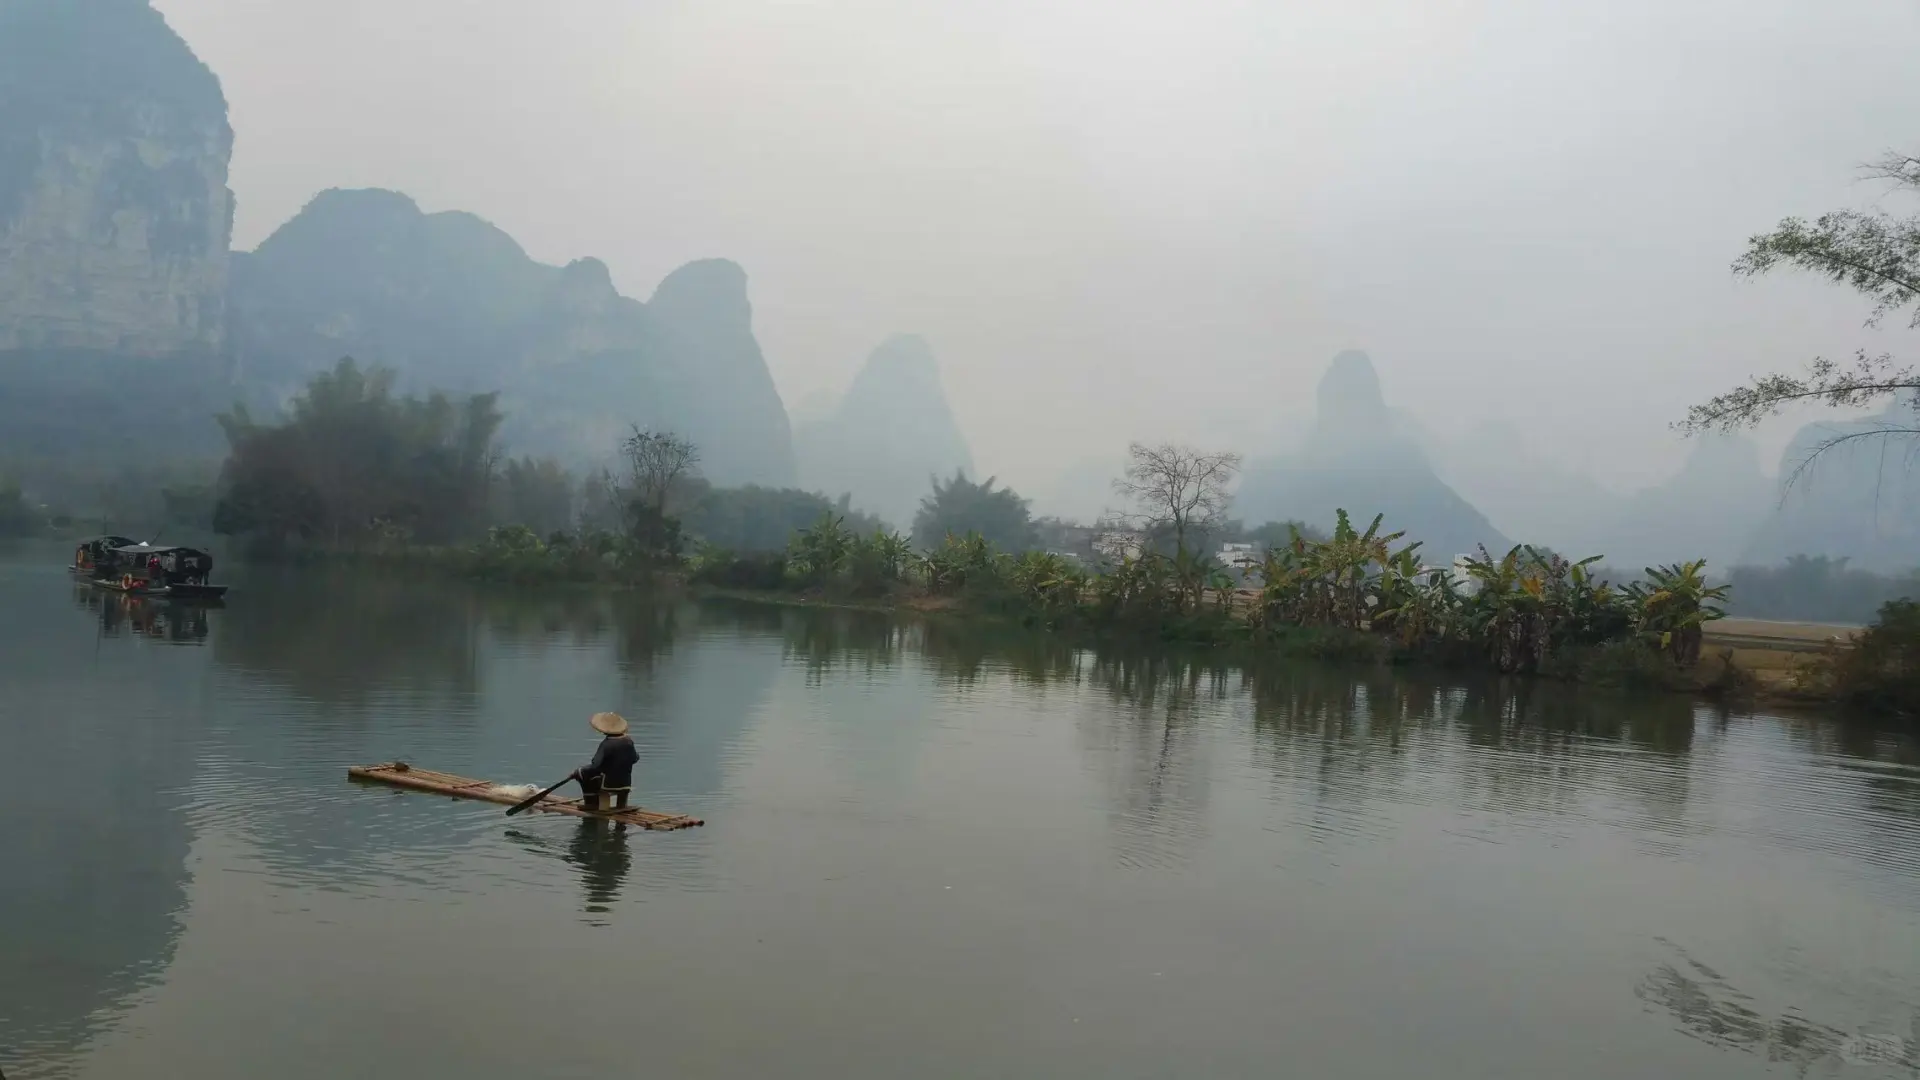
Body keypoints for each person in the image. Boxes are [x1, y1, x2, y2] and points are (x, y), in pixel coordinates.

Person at [571, 711, 638, 811]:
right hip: (625, 783)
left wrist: (578, 771)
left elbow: (595, 765)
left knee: (582, 774)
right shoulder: (629, 742)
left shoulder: (606, 744)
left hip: (608, 784)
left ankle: (591, 804)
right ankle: (621, 807)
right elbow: (635, 758)